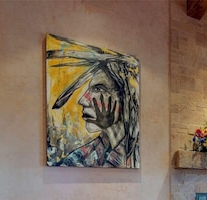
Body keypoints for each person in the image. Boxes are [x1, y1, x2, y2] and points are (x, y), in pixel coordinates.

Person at [47, 34, 140, 168]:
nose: (82, 100)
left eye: (98, 89)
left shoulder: (135, 155)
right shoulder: (88, 153)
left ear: (124, 98)